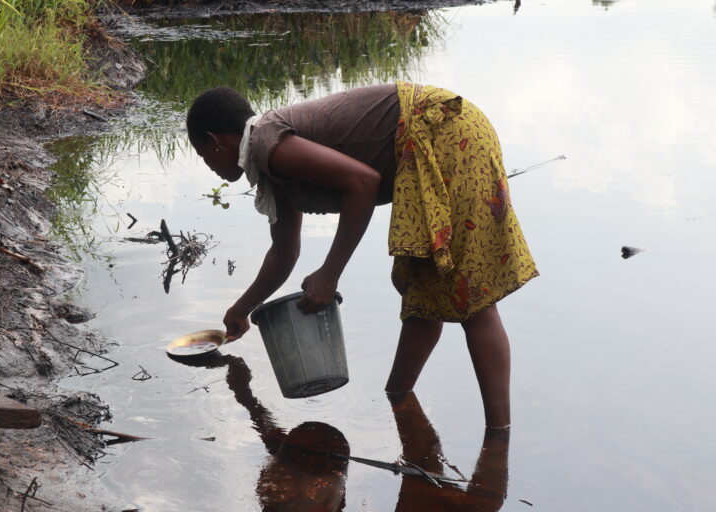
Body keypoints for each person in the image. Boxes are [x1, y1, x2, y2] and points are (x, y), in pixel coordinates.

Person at [186, 82, 538, 428]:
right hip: (431, 140)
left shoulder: (267, 144)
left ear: (216, 142)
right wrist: (240, 309)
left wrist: (329, 273)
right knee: (423, 291)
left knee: (472, 298)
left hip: (444, 132)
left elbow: (362, 183)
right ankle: (398, 399)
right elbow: (283, 252)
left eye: (204, 155)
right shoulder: (271, 163)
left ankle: (498, 437)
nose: (209, 165)